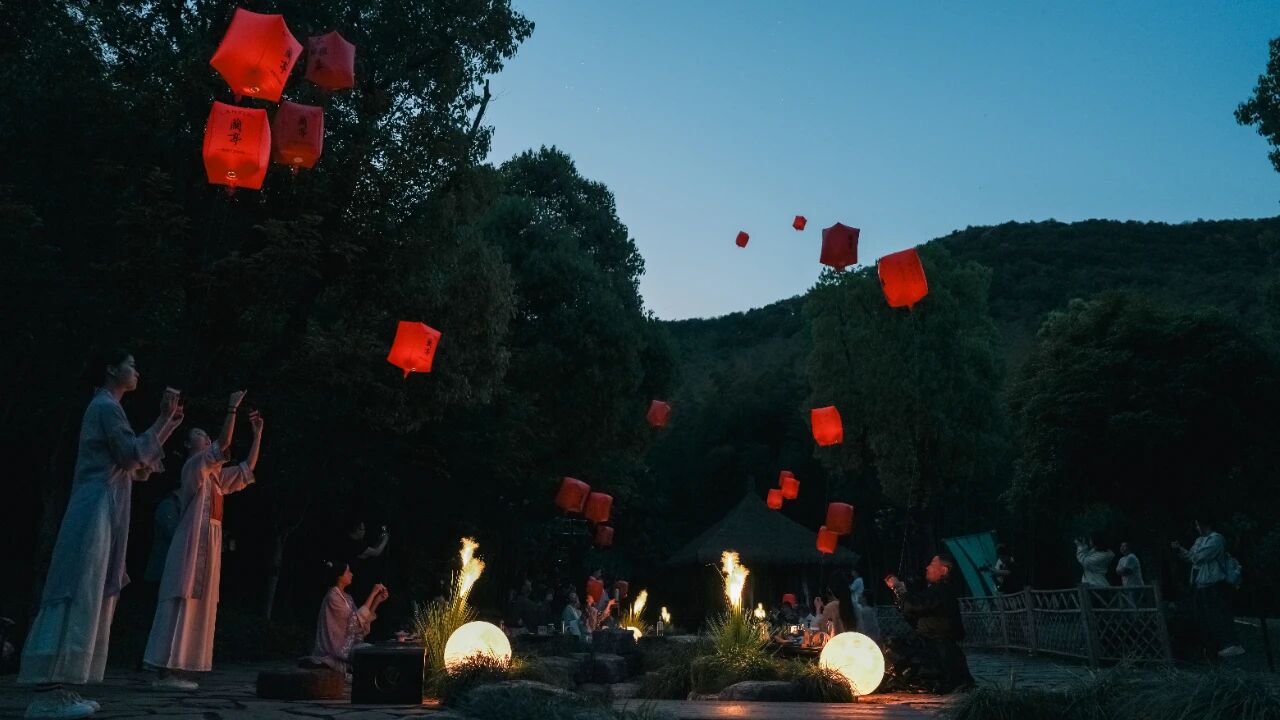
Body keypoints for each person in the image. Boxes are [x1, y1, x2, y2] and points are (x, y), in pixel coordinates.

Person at [20, 351, 183, 719]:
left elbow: (135, 464)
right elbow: (131, 456)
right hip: (95, 508)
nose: (136, 371)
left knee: (88, 590)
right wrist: (162, 419)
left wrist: (167, 423)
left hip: (104, 506)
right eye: (131, 364)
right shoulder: (106, 407)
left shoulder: (108, 407)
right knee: (79, 587)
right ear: (111, 369)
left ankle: (63, 687)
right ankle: (48, 692)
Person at [143, 393, 262, 688]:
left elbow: (246, 469)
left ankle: (182, 666)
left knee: (201, 603)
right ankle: (166, 667)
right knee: (181, 598)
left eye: (206, 435)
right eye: (200, 435)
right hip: (192, 541)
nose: (206, 438)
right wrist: (231, 408)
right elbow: (223, 444)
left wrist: (257, 435)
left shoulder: (216, 478)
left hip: (209, 543)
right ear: (189, 445)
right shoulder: (193, 467)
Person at [884, 555, 975, 693]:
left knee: (893, 649)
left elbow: (912, 606)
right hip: (934, 646)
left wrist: (898, 588)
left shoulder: (942, 590)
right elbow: (912, 612)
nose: (927, 567)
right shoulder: (937, 590)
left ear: (943, 570)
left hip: (937, 651)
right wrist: (899, 592)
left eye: (932, 564)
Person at [1172, 519, 1244, 658]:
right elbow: (1190, 557)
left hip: (1215, 583)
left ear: (1203, 524)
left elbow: (1199, 557)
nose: (1196, 528)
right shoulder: (1199, 540)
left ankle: (1232, 644)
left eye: (1197, 525)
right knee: (1206, 616)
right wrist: (1180, 549)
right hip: (1200, 583)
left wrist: (1192, 553)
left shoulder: (1216, 539)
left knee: (1218, 613)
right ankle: (1215, 646)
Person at [304, 561, 390, 674]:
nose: (351, 574)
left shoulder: (347, 598)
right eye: (348, 571)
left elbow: (360, 623)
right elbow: (354, 623)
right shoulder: (333, 597)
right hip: (337, 650)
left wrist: (377, 601)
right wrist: (372, 594)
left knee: (376, 652)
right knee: (371, 655)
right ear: (339, 576)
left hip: (351, 646)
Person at [135, 480, 182, 670]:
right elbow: (173, 532)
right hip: (160, 571)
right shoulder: (168, 505)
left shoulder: (176, 506)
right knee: (153, 616)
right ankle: (145, 658)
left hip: (169, 572)